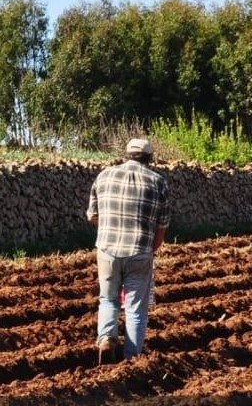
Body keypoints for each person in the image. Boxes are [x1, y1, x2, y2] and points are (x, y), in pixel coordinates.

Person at [87, 138, 170, 364]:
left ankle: (105, 338)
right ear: (149, 158)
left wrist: (108, 229)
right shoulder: (158, 182)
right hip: (140, 251)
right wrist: (150, 251)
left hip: (107, 250)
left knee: (108, 299)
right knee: (135, 308)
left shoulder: (104, 176)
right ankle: (132, 358)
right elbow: (161, 226)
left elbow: (92, 216)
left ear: (126, 155)